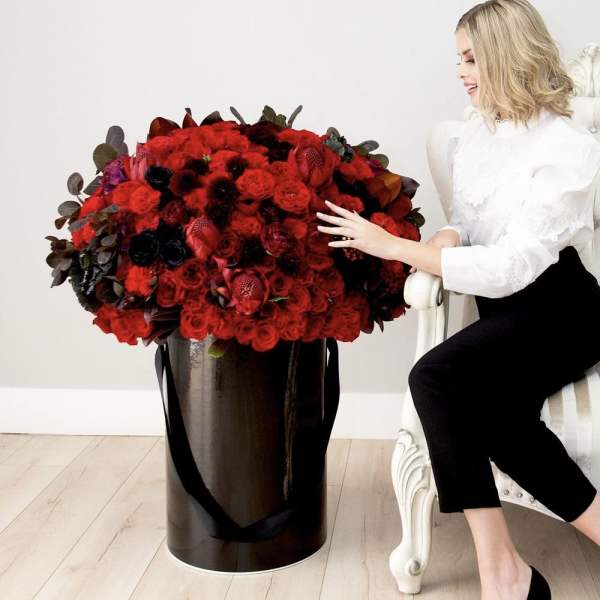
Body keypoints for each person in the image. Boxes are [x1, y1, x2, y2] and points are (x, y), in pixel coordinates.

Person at [315, 1, 600, 599]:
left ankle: (502, 574)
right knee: (494, 416)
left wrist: (392, 246)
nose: (461, 72)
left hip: (563, 311)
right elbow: (469, 224)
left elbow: (512, 266)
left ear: (506, 55)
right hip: (506, 314)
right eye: (459, 59)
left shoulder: (569, 147)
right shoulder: (476, 132)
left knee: (435, 378)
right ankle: (510, 576)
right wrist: (445, 236)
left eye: (471, 58)